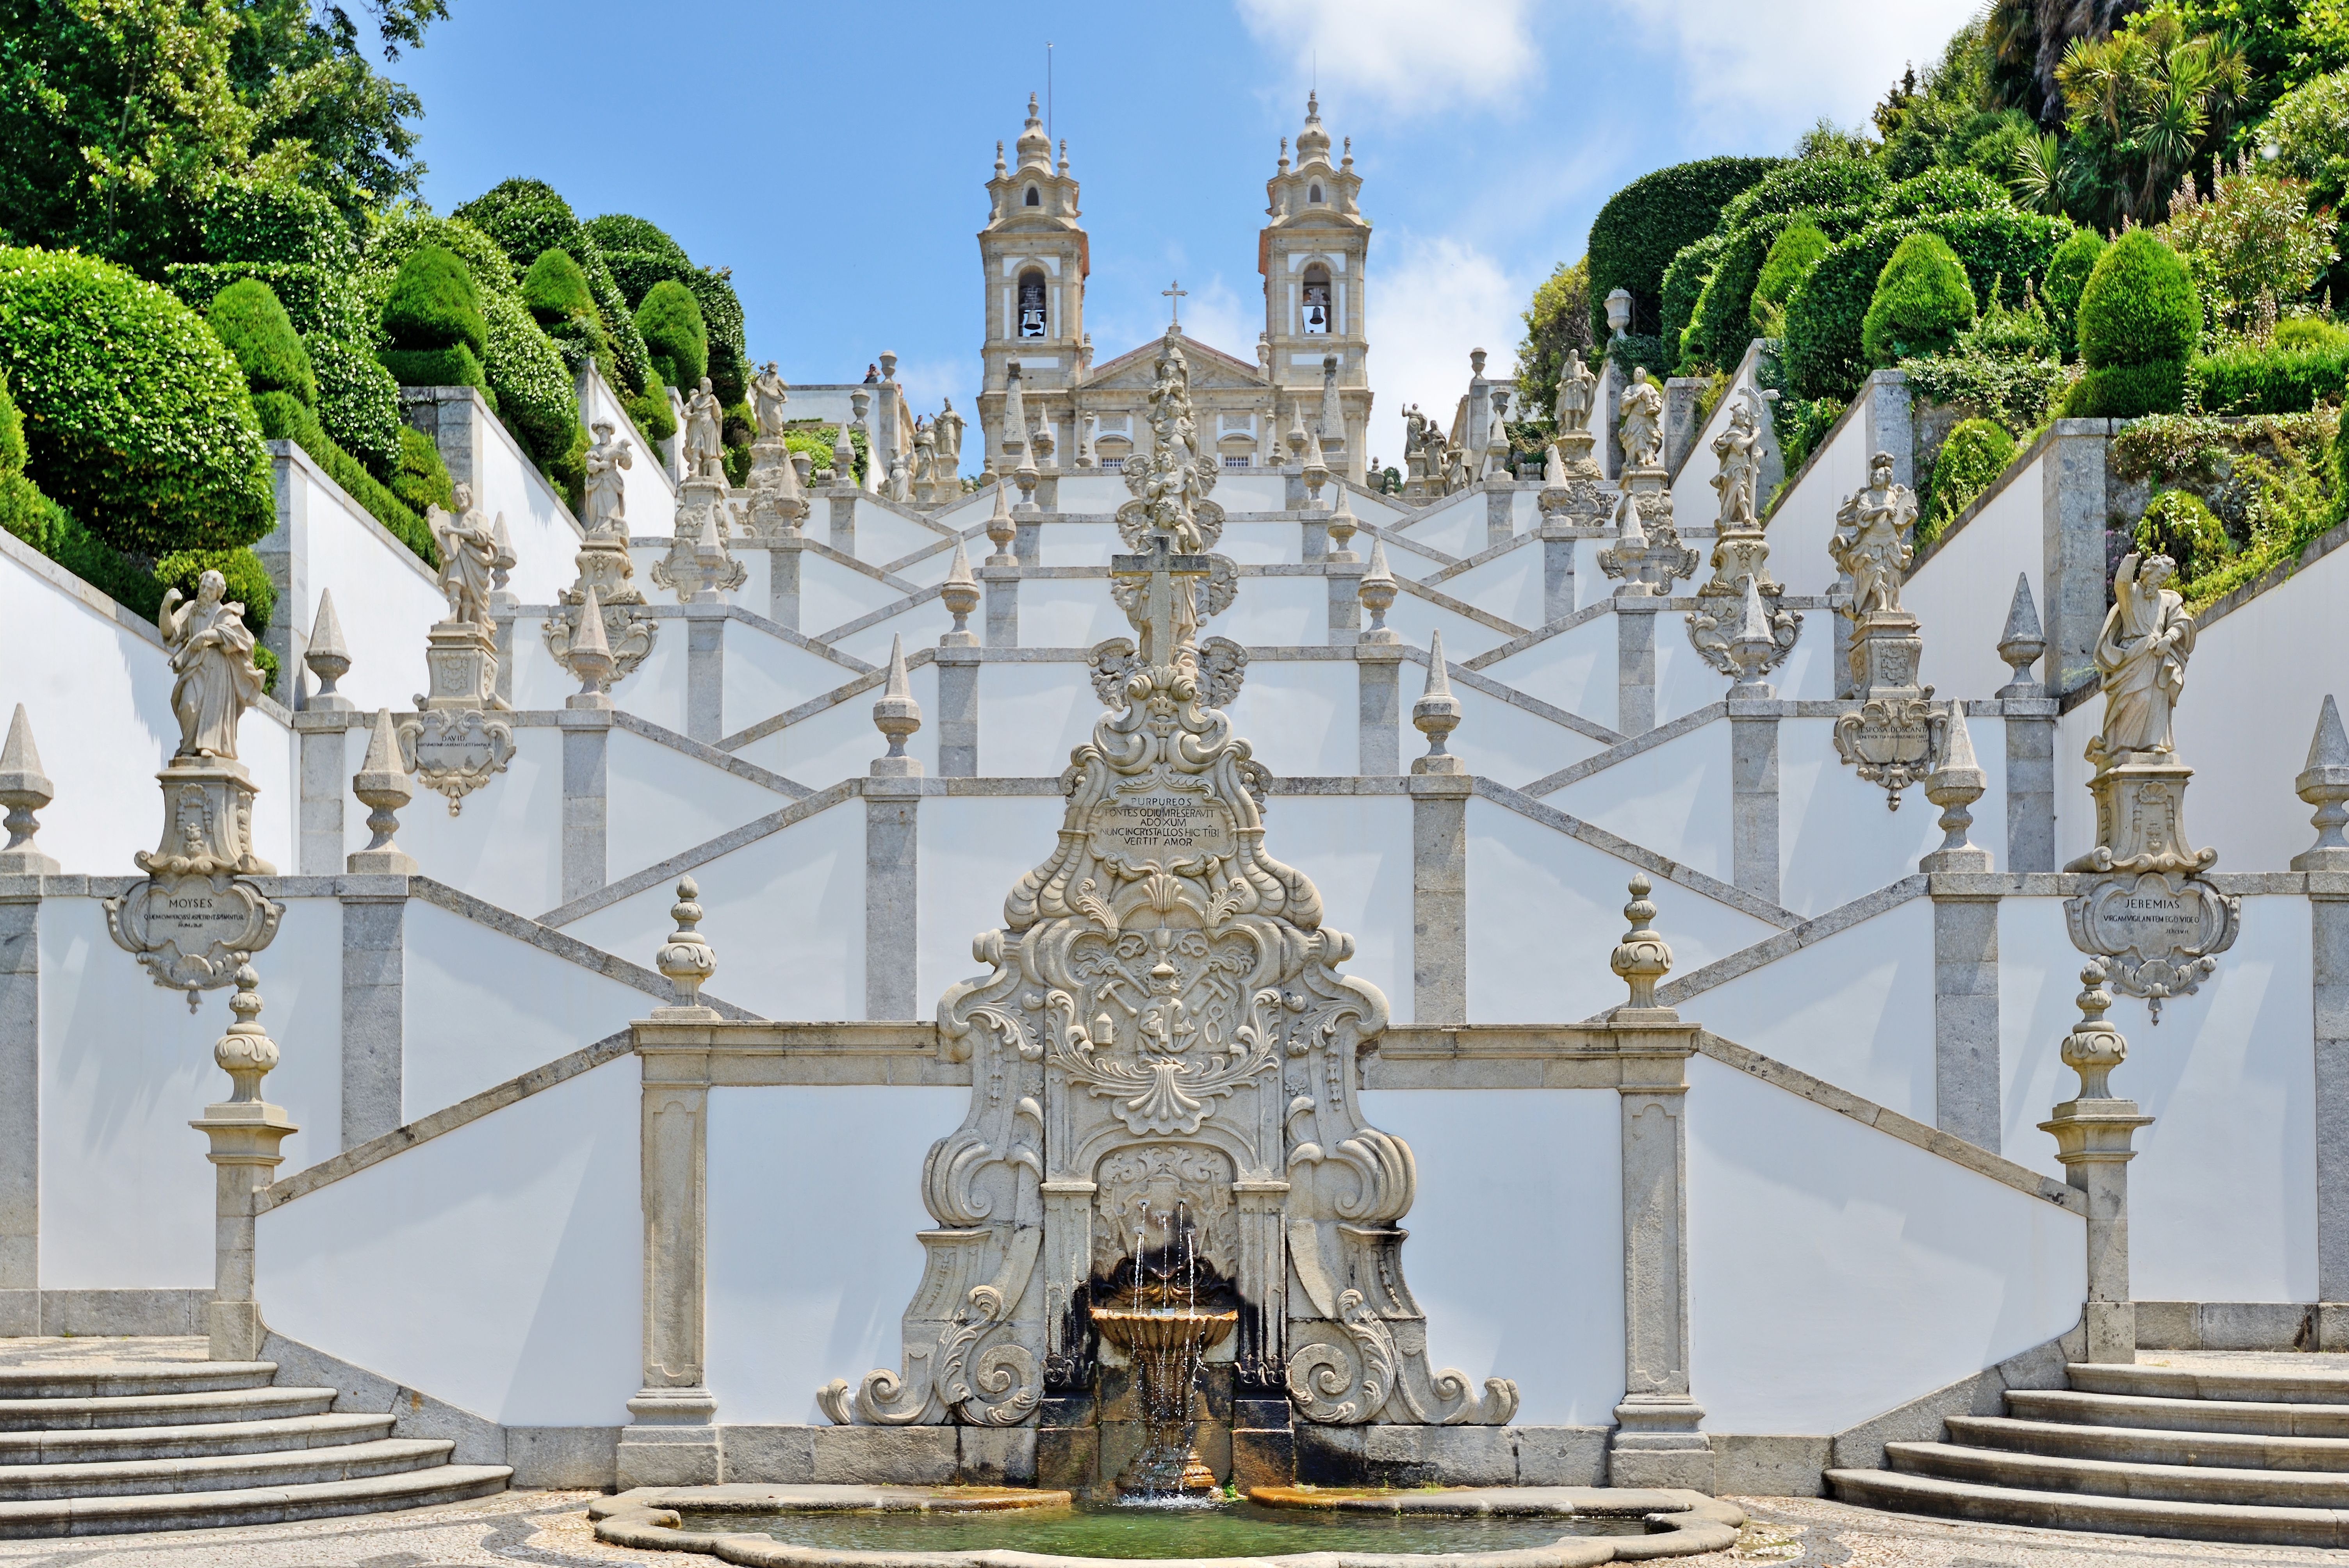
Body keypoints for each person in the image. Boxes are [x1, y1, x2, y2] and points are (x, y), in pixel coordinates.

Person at [2089, 552, 2195, 766]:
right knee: (2136, 699)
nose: (2159, 583)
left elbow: (2181, 623)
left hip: (2158, 655)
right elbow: (2120, 583)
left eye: (2162, 580)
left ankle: (2153, 742)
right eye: (2156, 577)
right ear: (2147, 573)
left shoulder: (2168, 600)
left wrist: (2169, 639)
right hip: (2133, 656)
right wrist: (2131, 560)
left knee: (2157, 698)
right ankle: (2124, 744)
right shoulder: (2130, 594)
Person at [160, 570, 264, 761]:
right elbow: (171, 633)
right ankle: (189, 746)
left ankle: (210, 746)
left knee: (213, 712)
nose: (205, 591)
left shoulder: (225, 613)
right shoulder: (192, 609)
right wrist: (166, 607)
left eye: (209, 589)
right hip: (194, 667)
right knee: (188, 707)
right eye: (203, 587)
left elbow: (238, 638)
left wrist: (207, 636)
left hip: (218, 671)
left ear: (219, 593)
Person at [1829, 452, 1917, 618]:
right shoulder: (1867, 496)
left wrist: (1912, 516)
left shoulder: (1893, 496)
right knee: (1875, 573)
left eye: (1881, 475)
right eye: (1875, 475)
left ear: (1887, 479)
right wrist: (1883, 509)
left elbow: (1901, 522)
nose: (1877, 477)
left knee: (1892, 576)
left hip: (1891, 543)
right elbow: (1863, 516)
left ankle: (1891, 606)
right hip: (1871, 544)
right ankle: (1881, 604)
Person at [430, 484, 499, 625]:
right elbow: (443, 540)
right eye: (457, 496)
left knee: (468, 590)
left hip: (474, 559)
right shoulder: (452, 518)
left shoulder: (478, 516)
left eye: (463, 495)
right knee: (455, 582)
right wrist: (432, 513)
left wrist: (455, 531)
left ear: (469, 496)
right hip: (457, 557)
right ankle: (454, 615)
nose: (460, 498)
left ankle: (467, 619)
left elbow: (482, 536)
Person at [583, 421, 632, 537]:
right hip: (597, 482)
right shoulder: (594, 449)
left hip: (610, 481)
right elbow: (590, 466)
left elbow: (626, 466)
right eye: (599, 431)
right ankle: (596, 526)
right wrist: (600, 466)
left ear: (610, 432)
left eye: (604, 431)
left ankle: (608, 526)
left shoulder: (616, 448)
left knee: (610, 505)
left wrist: (627, 458)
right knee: (595, 505)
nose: (601, 433)